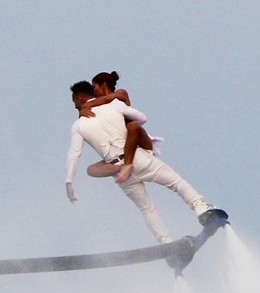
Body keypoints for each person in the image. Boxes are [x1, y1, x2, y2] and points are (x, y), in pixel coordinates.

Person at [65, 79, 226, 243]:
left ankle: (165, 242)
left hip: (117, 169)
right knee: (177, 183)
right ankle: (202, 210)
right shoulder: (113, 105)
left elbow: (74, 154)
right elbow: (141, 118)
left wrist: (69, 181)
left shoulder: (78, 125)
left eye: (73, 101)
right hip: (137, 158)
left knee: (146, 208)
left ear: (79, 98)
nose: (74, 106)